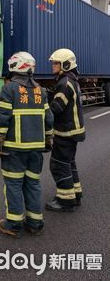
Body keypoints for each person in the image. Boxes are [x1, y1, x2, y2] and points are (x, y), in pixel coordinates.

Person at [0, 52, 54, 237]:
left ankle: (14, 224)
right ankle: (35, 223)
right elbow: (48, 119)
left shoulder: (9, 89)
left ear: (14, 67)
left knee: (13, 185)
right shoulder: (41, 91)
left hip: (14, 150)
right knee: (33, 184)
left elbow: (3, 118)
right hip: (36, 150)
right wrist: (49, 139)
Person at [45, 48, 85, 212]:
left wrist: (42, 108)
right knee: (69, 163)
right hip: (73, 132)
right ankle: (75, 194)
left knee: (58, 165)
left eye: (56, 63)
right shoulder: (71, 80)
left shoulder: (64, 83)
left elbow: (56, 108)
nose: (53, 66)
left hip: (66, 133)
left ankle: (65, 201)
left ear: (66, 64)